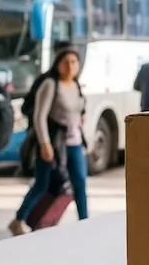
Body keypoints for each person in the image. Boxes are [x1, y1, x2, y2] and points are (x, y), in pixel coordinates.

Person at [10, 48, 89, 235]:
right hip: (53, 144)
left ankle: (85, 222)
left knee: (79, 183)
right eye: (66, 62)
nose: (70, 66)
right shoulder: (50, 85)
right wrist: (44, 143)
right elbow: (39, 116)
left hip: (74, 143)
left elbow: (79, 111)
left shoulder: (76, 86)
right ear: (58, 65)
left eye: (74, 62)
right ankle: (19, 219)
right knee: (42, 183)